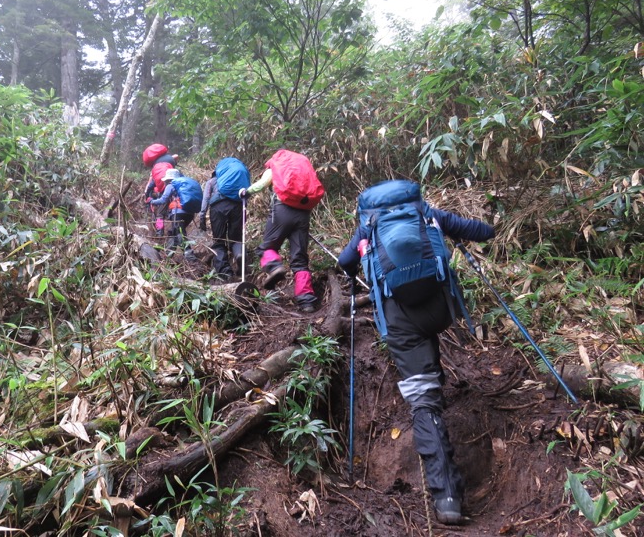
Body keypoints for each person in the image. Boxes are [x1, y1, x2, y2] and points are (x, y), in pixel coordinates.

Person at [337, 183, 495, 525]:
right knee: (427, 346)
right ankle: (434, 380)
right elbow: (481, 231)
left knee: (422, 400)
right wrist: (481, 228)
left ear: (367, 209)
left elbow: (345, 262)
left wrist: (357, 259)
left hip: (400, 319)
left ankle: (447, 496)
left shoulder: (369, 227)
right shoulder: (426, 214)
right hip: (441, 309)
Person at [239, 150, 324, 313]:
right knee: (299, 259)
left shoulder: (275, 168)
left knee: (267, 248)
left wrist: (245, 192)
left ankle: (274, 267)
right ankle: (306, 301)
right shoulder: (302, 171)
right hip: (304, 214)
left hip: (282, 211)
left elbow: (260, 185)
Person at [199, 157, 251, 281]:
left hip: (218, 208)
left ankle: (225, 273)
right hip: (237, 206)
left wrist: (202, 215)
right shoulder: (238, 181)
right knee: (236, 239)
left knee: (219, 240)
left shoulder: (212, 181)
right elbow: (245, 196)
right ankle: (239, 255)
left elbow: (206, 199)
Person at [149, 168, 200, 256]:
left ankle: (189, 256)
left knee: (180, 233)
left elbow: (163, 199)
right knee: (173, 232)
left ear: (168, 179)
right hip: (190, 213)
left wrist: (152, 201)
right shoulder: (183, 185)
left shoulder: (171, 185)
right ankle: (169, 254)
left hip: (178, 212)